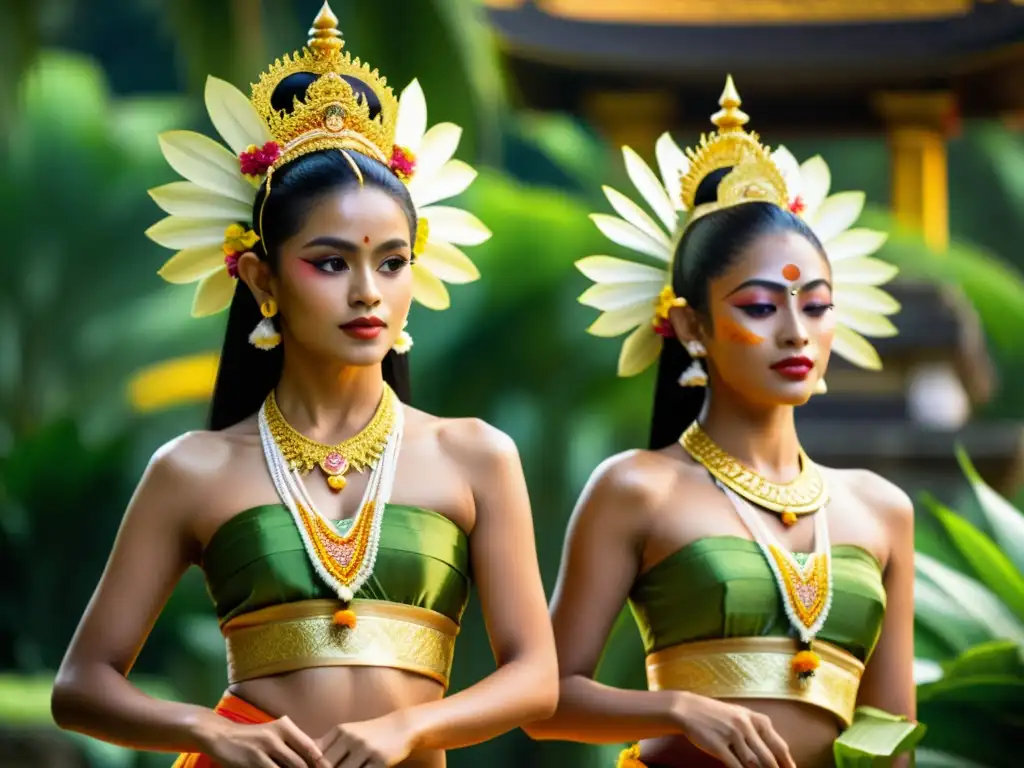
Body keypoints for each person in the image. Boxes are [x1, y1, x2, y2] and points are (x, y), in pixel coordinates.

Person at [51, 5, 557, 767]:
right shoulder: (194, 468)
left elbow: (536, 677)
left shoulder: (475, 456)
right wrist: (204, 728)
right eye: (330, 263)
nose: (368, 292)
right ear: (260, 277)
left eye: (391, 262)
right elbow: (81, 684)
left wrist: (409, 727)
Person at [525, 77, 924, 768]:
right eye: (761, 308)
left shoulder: (882, 509)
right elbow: (544, 699)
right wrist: (676, 708)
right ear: (691, 325)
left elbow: (892, 733)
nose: (796, 333)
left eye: (817, 306)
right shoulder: (636, 489)